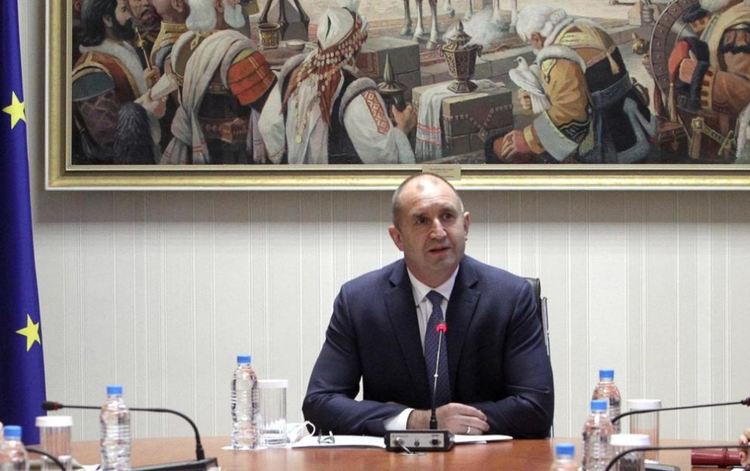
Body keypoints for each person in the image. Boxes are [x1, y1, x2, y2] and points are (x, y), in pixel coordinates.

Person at [302, 173, 554, 437]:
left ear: (466, 225)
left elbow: (536, 409)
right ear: (398, 238)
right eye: (421, 221)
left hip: (488, 456)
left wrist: (458, 423)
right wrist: (419, 422)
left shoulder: (510, 297)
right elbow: (319, 405)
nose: (438, 232)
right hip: (394, 458)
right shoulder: (360, 302)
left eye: (447, 216)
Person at [487, 5, 653, 164]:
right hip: (635, 118)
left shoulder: (560, 58)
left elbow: (570, 113)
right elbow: (585, 80)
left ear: (536, 37)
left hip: (609, 141)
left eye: (530, 42)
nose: (532, 47)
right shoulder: (587, 28)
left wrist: (528, 138)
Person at [258, 2, 417, 165]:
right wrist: (402, 129)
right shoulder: (358, 92)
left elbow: (267, 125)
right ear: (354, 48)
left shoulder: (294, 72)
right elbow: (383, 156)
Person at [161, 0, 276, 164]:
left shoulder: (181, 46)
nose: (238, 2)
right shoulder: (237, 54)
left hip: (194, 152)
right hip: (234, 158)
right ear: (219, 5)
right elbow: (272, 108)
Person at [72, 0, 165, 164]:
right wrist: (147, 112)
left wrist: (148, 86)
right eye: (124, 10)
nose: (130, 16)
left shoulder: (122, 53)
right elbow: (107, 137)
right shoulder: (90, 71)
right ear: (107, 19)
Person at [667, 0, 750, 161]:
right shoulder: (723, 16)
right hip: (712, 134)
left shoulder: (740, 29)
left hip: (726, 141)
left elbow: (745, 92)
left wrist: (698, 74)